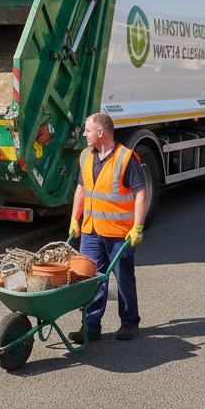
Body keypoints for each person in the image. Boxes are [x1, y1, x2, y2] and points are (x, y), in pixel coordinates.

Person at [66, 113, 148, 343]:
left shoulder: (126, 157)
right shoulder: (85, 156)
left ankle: (130, 322)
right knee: (91, 278)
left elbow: (140, 192)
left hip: (118, 232)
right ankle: (90, 327)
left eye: (87, 130)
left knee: (123, 278)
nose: (84, 134)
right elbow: (81, 189)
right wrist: (75, 219)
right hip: (91, 230)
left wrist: (138, 226)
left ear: (101, 133)